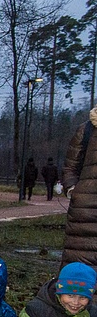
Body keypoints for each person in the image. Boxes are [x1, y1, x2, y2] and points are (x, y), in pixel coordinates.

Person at [61, 108, 97, 266]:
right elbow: (70, 166)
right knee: (78, 271)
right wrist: (73, 190)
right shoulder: (87, 129)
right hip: (84, 212)